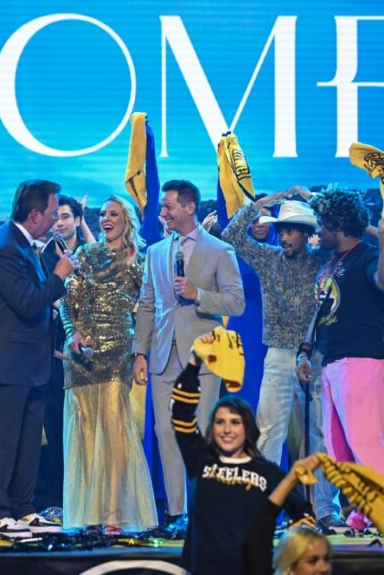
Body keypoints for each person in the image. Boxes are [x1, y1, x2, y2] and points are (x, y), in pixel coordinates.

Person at [221, 192, 340, 528]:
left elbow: (343, 228)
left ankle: (326, 509)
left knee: (320, 431)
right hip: (277, 353)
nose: (284, 236)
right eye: (282, 230)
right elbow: (231, 236)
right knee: (269, 430)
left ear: (305, 233)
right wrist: (264, 203)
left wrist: (313, 199)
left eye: (291, 231)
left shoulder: (322, 260)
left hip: (315, 355)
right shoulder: (268, 258)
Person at [133, 179, 245, 522]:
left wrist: (199, 294)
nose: (162, 213)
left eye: (168, 206)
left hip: (204, 357)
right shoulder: (155, 252)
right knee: (165, 431)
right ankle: (177, 511)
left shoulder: (219, 251)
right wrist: (140, 351)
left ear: (188, 207)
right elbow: (148, 305)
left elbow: (237, 302)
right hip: (163, 354)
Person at [0, 179, 77, 539]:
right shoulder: (5, 248)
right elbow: (28, 301)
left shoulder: (24, 244)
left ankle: (23, 507)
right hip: (5, 364)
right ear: (34, 215)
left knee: (28, 441)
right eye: (50, 213)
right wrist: (60, 276)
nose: (54, 220)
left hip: (30, 363)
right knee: (3, 441)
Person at [298, 186, 384, 531]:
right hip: (333, 361)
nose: (316, 231)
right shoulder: (331, 263)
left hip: (362, 358)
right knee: (342, 449)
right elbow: (322, 309)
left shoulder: (365, 255)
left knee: (369, 442)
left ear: (338, 224)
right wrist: (306, 349)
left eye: (321, 224)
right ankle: (365, 509)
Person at [59, 196, 156, 534]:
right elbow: (65, 302)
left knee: (114, 434)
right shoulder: (85, 255)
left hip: (118, 352)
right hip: (82, 356)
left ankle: (113, 513)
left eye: (113, 214)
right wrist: (73, 334)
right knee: (85, 434)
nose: (106, 219)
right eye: (102, 214)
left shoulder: (140, 261)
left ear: (126, 220)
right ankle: (90, 514)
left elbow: (148, 308)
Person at [171, 348, 312, 574]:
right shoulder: (200, 460)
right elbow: (180, 413)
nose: (227, 430)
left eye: (235, 422)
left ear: (248, 428)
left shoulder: (269, 473)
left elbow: (303, 513)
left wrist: (293, 559)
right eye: (220, 422)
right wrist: (194, 362)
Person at [36, 193, 89, 511]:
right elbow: (44, 296)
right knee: (55, 423)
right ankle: (58, 496)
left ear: (79, 221)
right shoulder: (43, 257)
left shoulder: (92, 253)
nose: (59, 222)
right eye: (56, 217)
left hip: (90, 347)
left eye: (66, 216)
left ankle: (87, 493)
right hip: (55, 347)